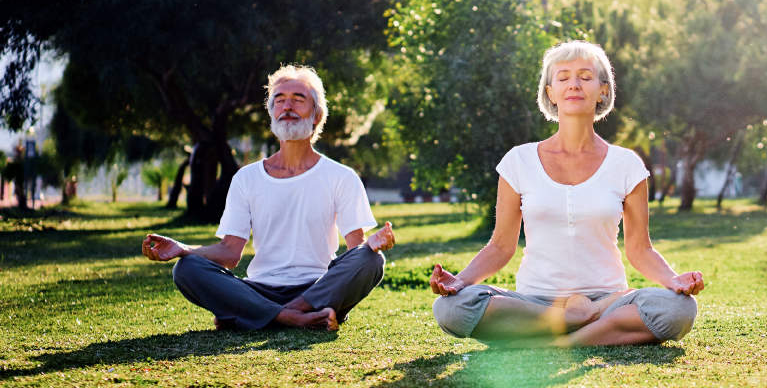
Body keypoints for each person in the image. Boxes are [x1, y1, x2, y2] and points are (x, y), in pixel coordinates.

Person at [430, 41, 704, 347]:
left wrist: (673, 280)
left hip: (607, 301)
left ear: (603, 90)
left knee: (679, 308)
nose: (574, 84)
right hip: (535, 303)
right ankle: (576, 322)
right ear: (550, 92)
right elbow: (500, 246)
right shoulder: (518, 162)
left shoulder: (626, 164)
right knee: (450, 308)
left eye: (585, 76)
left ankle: (559, 341)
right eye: (563, 77)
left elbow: (640, 249)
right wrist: (461, 281)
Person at [141, 65, 395, 331]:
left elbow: (356, 251)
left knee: (372, 260)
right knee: (186, 269)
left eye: (298, 99)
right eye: (280, 100)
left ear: (317, 115)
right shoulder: (246, 178)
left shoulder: (342, 177)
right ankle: (293, 318)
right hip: (259, 290)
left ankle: (259, 314)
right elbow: (229, 254)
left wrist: (371, 245)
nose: (287, 106)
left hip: (318, 289)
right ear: (272, 112)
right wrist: (182, 249)